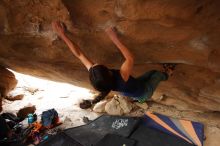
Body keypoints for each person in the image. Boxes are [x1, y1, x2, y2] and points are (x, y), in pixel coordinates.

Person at [52, 21, 175, 109]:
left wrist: (63, 35)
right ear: (109, 72)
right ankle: (168, 73)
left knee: (150, 73)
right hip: (144, 92)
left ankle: (140, 95)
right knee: (156, 75)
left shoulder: (99, 77)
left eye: (94, 65)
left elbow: (79, 54)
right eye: (98, 64)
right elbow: (130, 58)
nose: (93, 64)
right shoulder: (122, 77)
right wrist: (114, 38)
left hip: (135, 87)